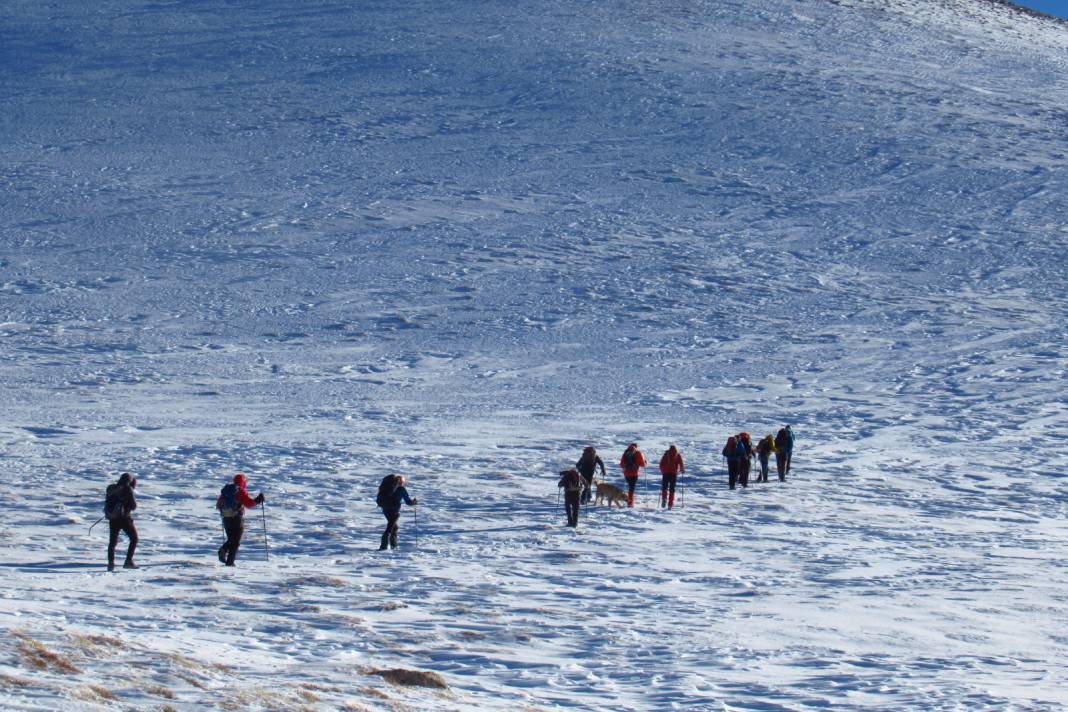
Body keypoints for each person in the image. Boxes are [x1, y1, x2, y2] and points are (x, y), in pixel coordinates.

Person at [216, 473, 265, 566]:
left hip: (226, 518)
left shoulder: (226, 491)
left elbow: (218, 505)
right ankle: (230, 562)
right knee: (235, 541)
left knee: (231, 539)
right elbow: (249, 504)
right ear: (243, 482)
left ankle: (223, 551)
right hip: (237, 519)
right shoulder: (239, 491)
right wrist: (258, 500)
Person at [105, 473, 138, 571]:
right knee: (134, 538)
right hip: (125, 518)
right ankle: (128, 561)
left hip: (113, 518)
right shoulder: (128, 489)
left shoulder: (111, 488)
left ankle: (111, 564)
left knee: (112, 542)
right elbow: (133, 506)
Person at [378, 475, 417, 550]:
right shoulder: (401, 489)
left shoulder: (386, 488)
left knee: (394, 527)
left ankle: (393, 545)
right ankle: (384, 546)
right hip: (394, 510)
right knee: (390, 528)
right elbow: (408, 502)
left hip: (385, 509)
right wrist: (414, 502)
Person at [619, 443, 647, 508]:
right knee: (631, 489)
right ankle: (630, 503)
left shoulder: (625, 453)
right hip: (634, 473)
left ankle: (627, 501)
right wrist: (645, 462)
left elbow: (621, 464)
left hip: (626, 473)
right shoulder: (638, 453)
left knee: (630, 487)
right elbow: (643, 464)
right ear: (636, 447)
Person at [658, 445, 685, 509]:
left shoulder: (666, 454)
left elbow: (661, 463)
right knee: (672, 489)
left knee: (664, 487)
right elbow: (681, 463)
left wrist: (662, 470)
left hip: (666, 473)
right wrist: (682, 469)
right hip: (674, 474)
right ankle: (670, 504)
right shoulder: (677, 454)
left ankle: (664, 498)